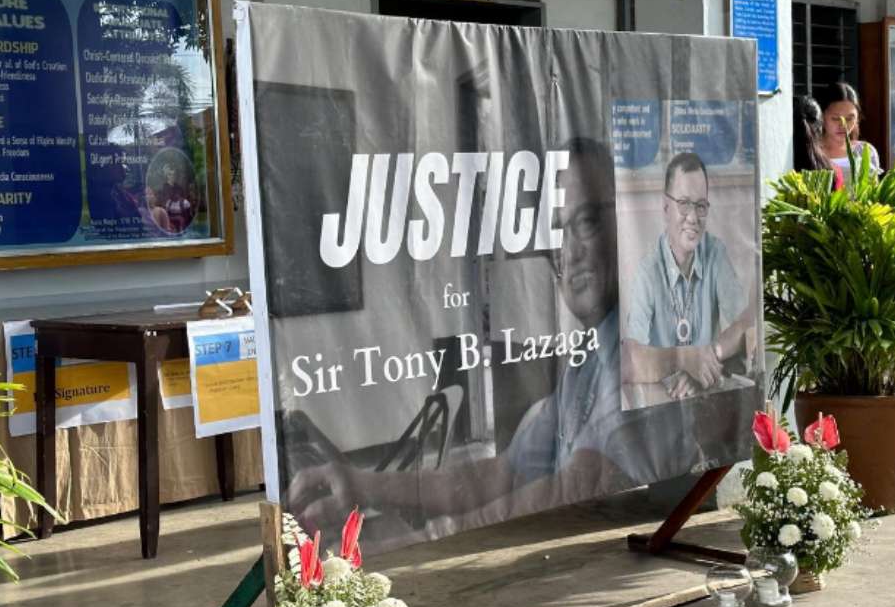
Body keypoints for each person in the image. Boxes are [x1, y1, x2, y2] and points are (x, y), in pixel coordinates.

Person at [287, 138, 693, 534]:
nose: (570, 253)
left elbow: (573, 489)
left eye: (585, 222)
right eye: (557, 234)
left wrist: (420, 540)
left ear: (627, 222)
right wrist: (364, 486)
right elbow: (500, 475)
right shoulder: (585, 363)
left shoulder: (648, 349)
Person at [622, 152, 757, 399]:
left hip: (705, 395)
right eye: (684, 204)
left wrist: (705, 361)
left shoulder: (715, 253)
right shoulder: (647, 272)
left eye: (700, 206)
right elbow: (629, 361)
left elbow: (746, 326)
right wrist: (683, 359)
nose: (693, 218)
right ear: (665, 208)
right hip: (663, 403)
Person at [816, 82, 880, 184]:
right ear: (821, 116)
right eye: (836, 118)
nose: (843, 125)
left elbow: (874, 193)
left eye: (850, 118)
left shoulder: (865, 151)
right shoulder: (813, 152)